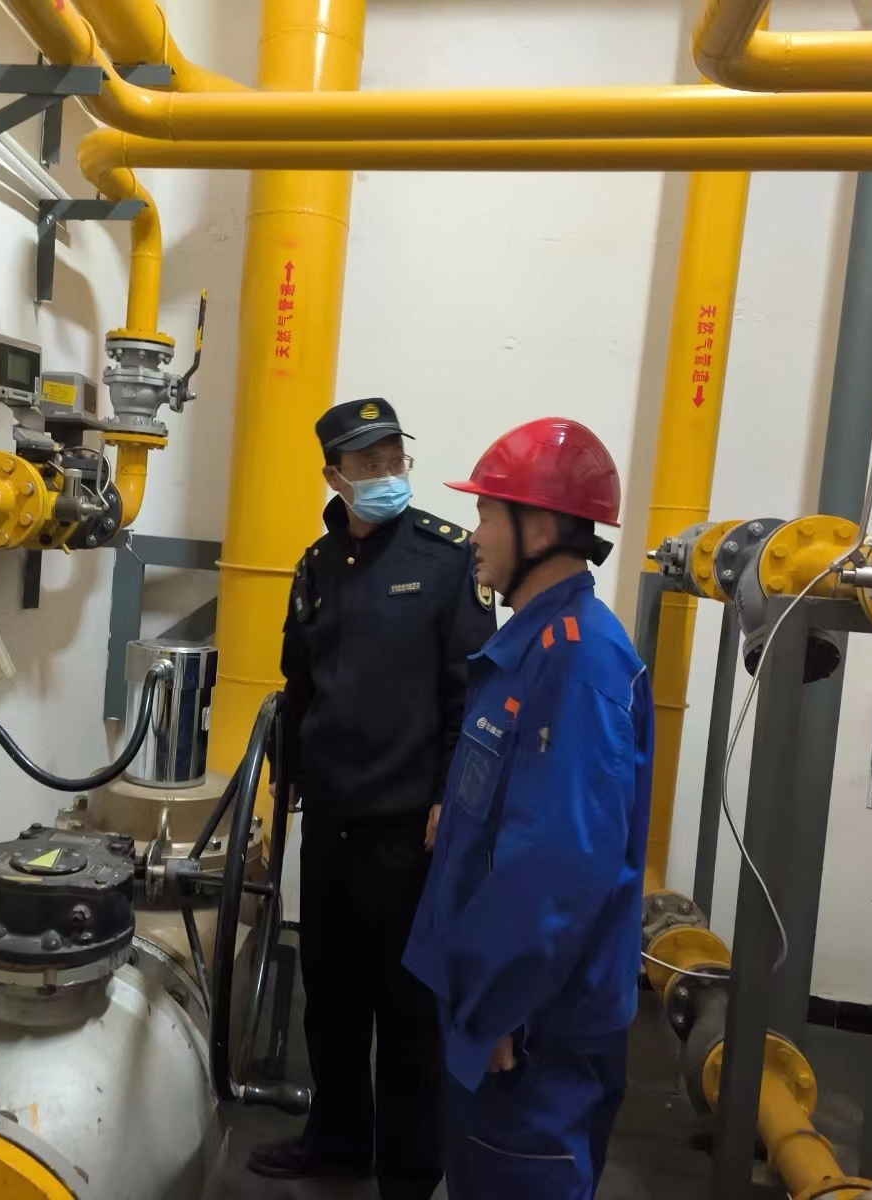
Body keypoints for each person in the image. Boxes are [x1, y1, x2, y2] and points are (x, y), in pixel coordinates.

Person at [248, 398, 496, 1200]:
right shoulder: (317, 565)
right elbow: (300, 685)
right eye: (370, 463)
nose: (388, 474)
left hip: (407, 827)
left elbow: (470, 695)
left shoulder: (447, 558)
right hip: (330, 822)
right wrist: (284, 781)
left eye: (395, 459)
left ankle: (410, 1171)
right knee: (331, 995)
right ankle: (338, 1140)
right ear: (335, 476)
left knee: (408, 1008)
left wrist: (450, 798)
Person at [403, 417, 653, 1200]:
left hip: (530, 1029)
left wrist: (497, 1009)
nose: (474, 536)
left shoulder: (579, 660)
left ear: (538, 528)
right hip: (495, 1003)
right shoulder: (536, 645)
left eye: (486, 513)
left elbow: (559, 866)